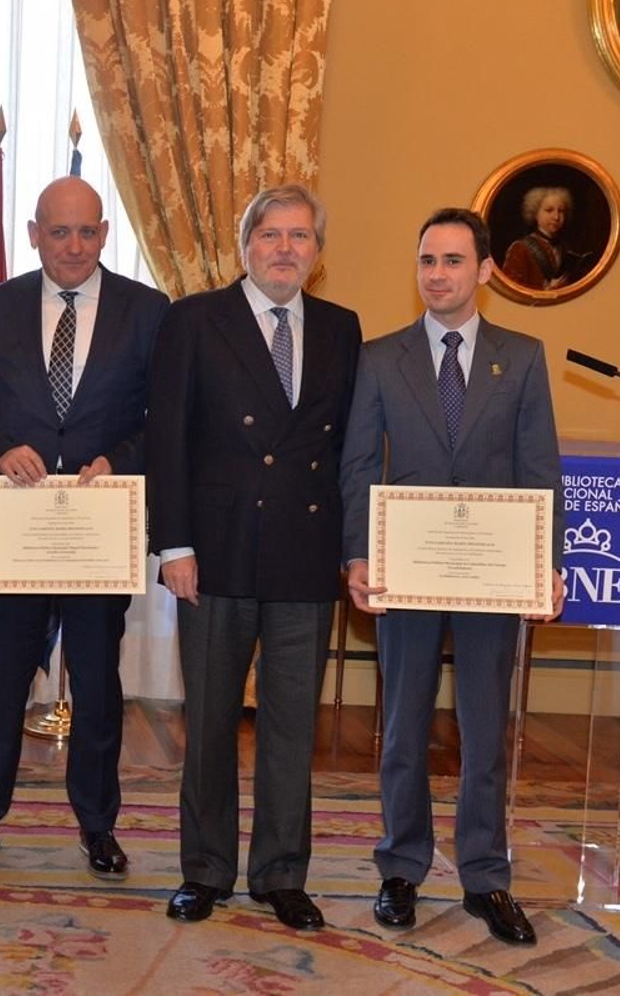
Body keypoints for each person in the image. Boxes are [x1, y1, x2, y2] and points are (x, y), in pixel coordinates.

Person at [339, 207, 564, 947]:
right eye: (427, 260)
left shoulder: (523, 356)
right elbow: (361, 467)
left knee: (483, 731)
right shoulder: (380, 357)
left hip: (492, 578)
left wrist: (547, 565)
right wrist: (357, 554)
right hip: (405, 573)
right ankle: (400, 865)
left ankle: (485, 876)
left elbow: (539, 470)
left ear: (486, 270)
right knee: (401, 725)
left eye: (453, 261)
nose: (438, 274)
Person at [146, 184, 361, 930]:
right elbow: (166, 437)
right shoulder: (195, 319)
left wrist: (355, 548)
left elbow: (346, 451)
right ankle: (204, 869)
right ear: (245, 247)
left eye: (300, 236)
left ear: (317, 252)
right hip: (215, 553)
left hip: (305, 555)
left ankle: (279, 873)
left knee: (290, 725)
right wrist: (173, 544)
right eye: (270, 234)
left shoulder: (341, 328)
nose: (284, 249)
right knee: (207, 721)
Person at [0, 175, 168, 878]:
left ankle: (98, 826)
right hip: (21, 523)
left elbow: (163, 416)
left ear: (105, 234)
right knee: (2, 678)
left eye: (87, 231)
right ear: (35, 233)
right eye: (58, 231)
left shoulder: (148, 309)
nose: (73, 246)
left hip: (100, 525)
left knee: (98, 682)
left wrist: (119, 459)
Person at [500, 186, 572, 288]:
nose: (556, 217)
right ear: (535, 213)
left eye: (561, 211)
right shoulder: (520, 248)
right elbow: (511, 287)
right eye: (549, 210)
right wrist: (544, 290)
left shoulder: (564, 248)